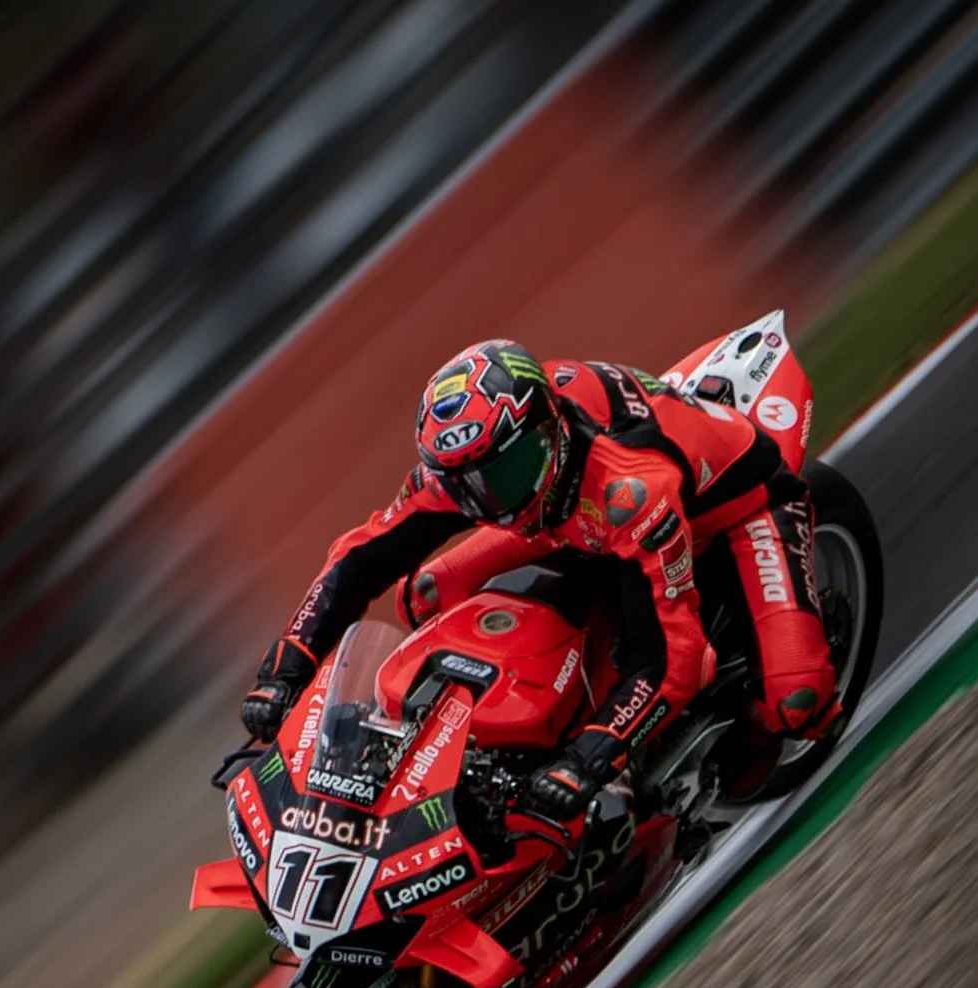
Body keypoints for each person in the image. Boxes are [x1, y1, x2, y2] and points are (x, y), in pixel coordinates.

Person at [241, 339, 839, 814]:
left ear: (546, 432)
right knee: (423, 596)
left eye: (502, 472)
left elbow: (672, 658)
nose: (483, 497)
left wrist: (593, 754)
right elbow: (360, 556)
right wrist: (287, 666)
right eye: (465, 484)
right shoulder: (477, 466)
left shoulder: (631, 489)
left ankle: (727, 734)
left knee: (798, 700)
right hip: (567, 517)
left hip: (733, 503)